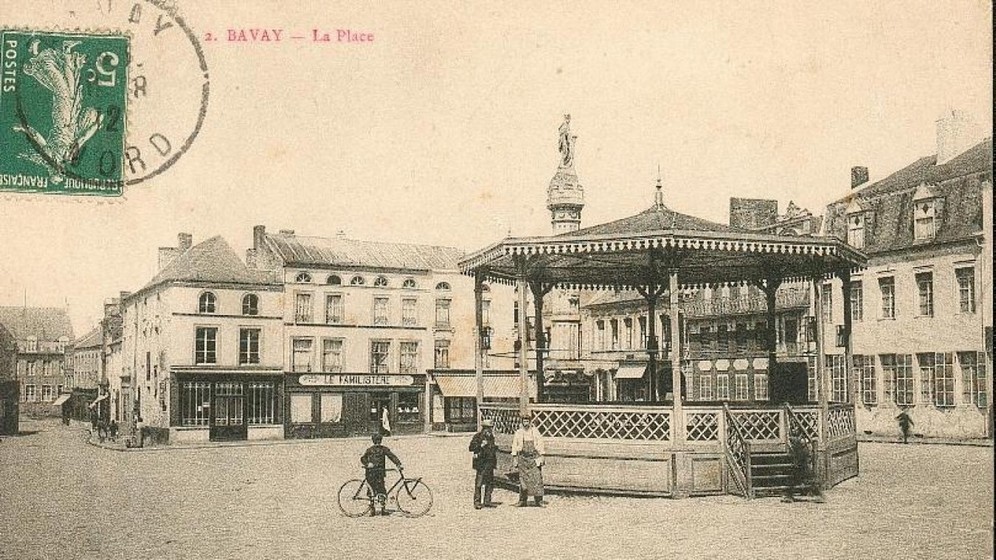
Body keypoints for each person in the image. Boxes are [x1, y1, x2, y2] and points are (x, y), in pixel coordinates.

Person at [360, 433, 402, 516]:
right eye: (378, 441)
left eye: (378, 441)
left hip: (373, 472)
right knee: (379, 490)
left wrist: (368, 463)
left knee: (375, 490)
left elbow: (362, 458)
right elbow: (392, 456)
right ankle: (379, 510)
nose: (378, 443)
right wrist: (398, 464)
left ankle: (375, 509)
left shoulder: (371, 449)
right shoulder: (382, 449)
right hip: (375, 473)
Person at [782, 427, 824, 503]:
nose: (795, 430)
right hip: (799, 461)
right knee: (798, 478)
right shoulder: (794, 439)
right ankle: (788, 495)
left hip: (802, 460)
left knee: (807, 477)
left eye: (796, 429)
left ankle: (817, 494)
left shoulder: (802, 440)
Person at [511, 413, 545, 507]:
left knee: (537, 479)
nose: (526, 423)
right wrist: (515, 458)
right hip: (523, 458)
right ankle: (522, 500)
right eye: (524, 421)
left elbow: (540, 443)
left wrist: (542, 455)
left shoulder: (535, 431)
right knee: (523, 480)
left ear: (530, 422)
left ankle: (539, 501)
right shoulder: (519, 432)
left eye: (527, 421)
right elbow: (514, 446)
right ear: (522, 422)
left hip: (534, 458)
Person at [469, 419, 497, 509]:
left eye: (490, 428)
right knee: (479, 483)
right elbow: (471, 448)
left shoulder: (491, 437)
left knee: (490, 483)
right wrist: (480, 445)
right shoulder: (477, 436)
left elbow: (492, 449)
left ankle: (487, 501)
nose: (489, 430)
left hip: (489, 463)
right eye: (487, 428)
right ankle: (477, 502)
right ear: (483, 428)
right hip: (481, 463)